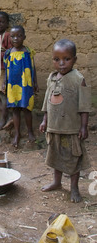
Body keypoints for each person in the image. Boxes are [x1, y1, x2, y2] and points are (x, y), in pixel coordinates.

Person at [39, 39, 91, 203]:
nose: (61, 63)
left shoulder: (79, 79)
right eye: (57, 59)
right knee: (55, 155)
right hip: (54, 127)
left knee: (72, 158)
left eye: (66, 59)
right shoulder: (51, 78)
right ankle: (57, 181)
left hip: (71, 129)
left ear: (74, 59)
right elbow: (47, 101)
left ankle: (74, 188)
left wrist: (83, 126)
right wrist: (44, 120)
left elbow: (85, 105)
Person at [3, 25, 38, 148]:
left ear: (24, 37)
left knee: (27, 108)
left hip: (26, 84)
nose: (15, 39)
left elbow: (33, 68)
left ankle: (30, 131)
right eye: (12, 36)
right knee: (16, 109)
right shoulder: (8, 53)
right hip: (12, 85)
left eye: (19, 36)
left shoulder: (28, 51)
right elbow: (6, 70)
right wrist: (4, 83)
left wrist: (35, 82)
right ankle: (17, 133)